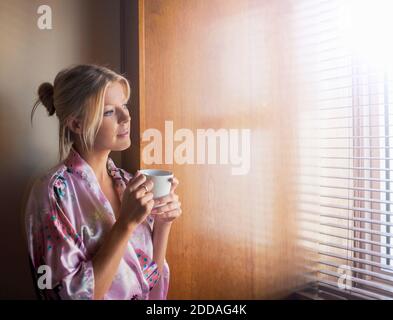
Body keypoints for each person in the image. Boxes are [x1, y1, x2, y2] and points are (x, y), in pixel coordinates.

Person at [25, 64, 182, 300]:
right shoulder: (52, 193)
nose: (127, 117)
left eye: (124, 106)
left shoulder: (130, 185)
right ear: (76, 124)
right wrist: (125, 224)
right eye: (109, 111)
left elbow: (149, 284)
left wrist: (162, 224)